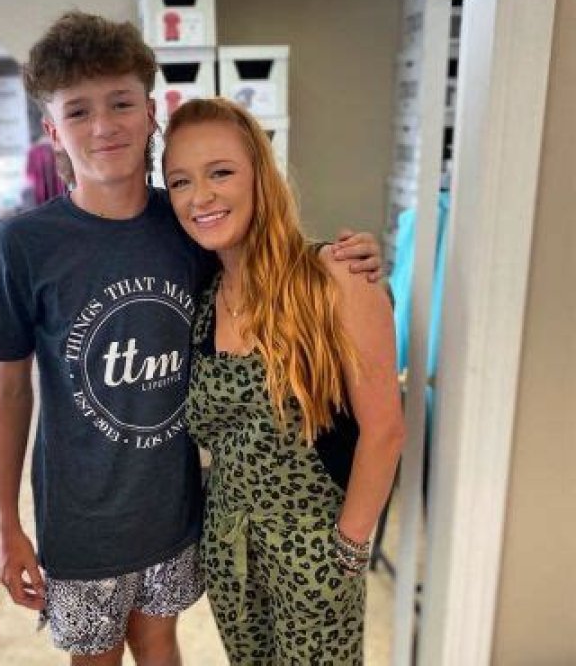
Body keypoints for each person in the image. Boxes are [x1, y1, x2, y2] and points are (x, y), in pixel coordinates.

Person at [0, 11, 383, 666]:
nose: (103, 126)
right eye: (78, 111)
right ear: (52, 130)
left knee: (159, 643)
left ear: (150, 115)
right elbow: (9, 390)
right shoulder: (24, 246)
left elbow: (262, 255)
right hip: (81, 523)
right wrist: (6, 524)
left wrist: (342, 258)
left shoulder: (189, 222)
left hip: (174, 514)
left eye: (120, 103)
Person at [163, 97, 405, 665]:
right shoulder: (200, 300)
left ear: (260, 176)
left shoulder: (335, 277)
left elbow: (385, 430)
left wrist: (347, 550)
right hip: (227, 551)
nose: (200, 196)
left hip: (315, 550)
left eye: (221, 172)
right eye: (180, 181)